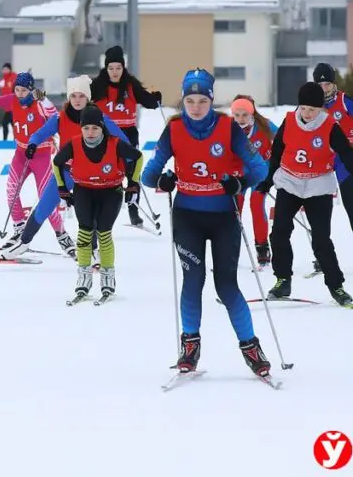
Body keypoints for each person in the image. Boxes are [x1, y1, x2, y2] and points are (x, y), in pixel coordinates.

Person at [141, 69, 272, 377]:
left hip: (224, 216)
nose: (196, 107)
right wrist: (164, 179)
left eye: (202, 100)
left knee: (226, 285)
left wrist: (239, 184)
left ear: (211, 101)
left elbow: (260, 169)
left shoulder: (228, 127)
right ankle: (190, 345)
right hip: (188, 216)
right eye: (190, 100)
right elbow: (148, 176)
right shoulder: (173, 130)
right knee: (193, 280)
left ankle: (251, 346)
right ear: (183, 101)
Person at [1, 75, 131, 259]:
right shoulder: (60, 117)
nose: (77, 100)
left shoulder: (98, 117)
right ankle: (24, 242)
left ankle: (93, 250)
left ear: (88, 98)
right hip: (65, 171)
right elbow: (40, 133)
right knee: (44, 206)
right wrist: (32, 143)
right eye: (74, 96)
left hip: (89, 174)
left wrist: (126, 162)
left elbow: (123, 141)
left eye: (82, 96)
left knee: (88, 214)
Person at [258, 82, 353, 307]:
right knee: (279, 232)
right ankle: (283, 280)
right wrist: (268, 180)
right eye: (304, 108)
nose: (308, 113)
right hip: (290, 182)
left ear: (321, 109)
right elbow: (278, 152)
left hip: (318, 186)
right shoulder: (289, 120)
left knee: (321, 239)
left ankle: (336, 286)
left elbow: (346, 155)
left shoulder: (330, 125)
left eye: (313, 109)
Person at [53, 105, 143, 301]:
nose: (90, 133)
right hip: (84, 190)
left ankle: (107, 275)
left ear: (102, 127)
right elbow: (56, 162)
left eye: (95, 128)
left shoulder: (115, 143)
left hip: (111, 191)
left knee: (104, 232)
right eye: (86, 128)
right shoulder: (74, 144)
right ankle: (84, 275)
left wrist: (133, 184)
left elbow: (138, 157)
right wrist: (62, 189)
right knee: (84, 231)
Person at [0, 70, 66, 242]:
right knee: (11, 190)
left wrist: (44, 99)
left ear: (30, 89)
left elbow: (55, 117)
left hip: (41, 154)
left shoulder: (39, 102)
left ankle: (61, 233)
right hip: (20, 153)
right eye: (17, 89)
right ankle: (19, 227)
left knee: (46, 198)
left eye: (24, 90)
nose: (20, 94)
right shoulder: (12, 99)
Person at [91, 45, 162, 227]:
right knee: (105, 171)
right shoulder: (98, 85)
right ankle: (100, 210)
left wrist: (155, 99)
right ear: (106, 69)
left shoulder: (130, 85)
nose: (115, 72)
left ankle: (133, 209)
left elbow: (147, 101)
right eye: (111, 68)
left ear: (124, 68)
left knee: (132, 172)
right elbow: (80, 98)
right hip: (104, 135)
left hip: (128, 133)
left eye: (118, 68)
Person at [229, 95, 276, 266]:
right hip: (239, 175)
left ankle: (262, 246)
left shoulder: (264, 126)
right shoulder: (227, 129)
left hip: (260, 172)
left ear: (252, 114)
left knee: (256, 204)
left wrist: (275, 170)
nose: (241, 119)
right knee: (236, 210)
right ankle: (230, 248)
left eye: (245, 115)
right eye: (237, 115)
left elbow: (282, 142)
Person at [313, 63, 353, 237]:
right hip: (322, 164)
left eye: (327, 84)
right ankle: (322, 255)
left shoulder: (345, 102)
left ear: (334, 84)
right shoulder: (310, 107)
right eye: (320, 85)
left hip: (346, 163)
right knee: (320, 213)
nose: (324, 89)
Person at [0, 63, 16, 140]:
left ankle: (15, 140)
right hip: (8, 108)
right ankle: (6, 141)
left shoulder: (14, 77)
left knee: (10, 123)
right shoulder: (2, 81)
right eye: (3, 69)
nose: (5, 71)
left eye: (6, 69)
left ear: (10, 70)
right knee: (7, 123)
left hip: (14, 107)